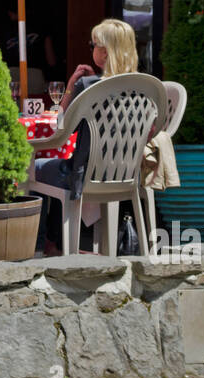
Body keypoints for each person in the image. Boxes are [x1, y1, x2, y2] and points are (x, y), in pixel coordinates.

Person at [36, 18, 140, 255]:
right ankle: (55, 243)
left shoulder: (87, 84)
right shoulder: (143, 87)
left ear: (104, 52)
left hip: (83, 176)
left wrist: (73, 84)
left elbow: (62, 128)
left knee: (33, 168)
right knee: (56, 169)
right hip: (125, 175)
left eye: (92, 45)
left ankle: (41, 246)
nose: (91, 50)